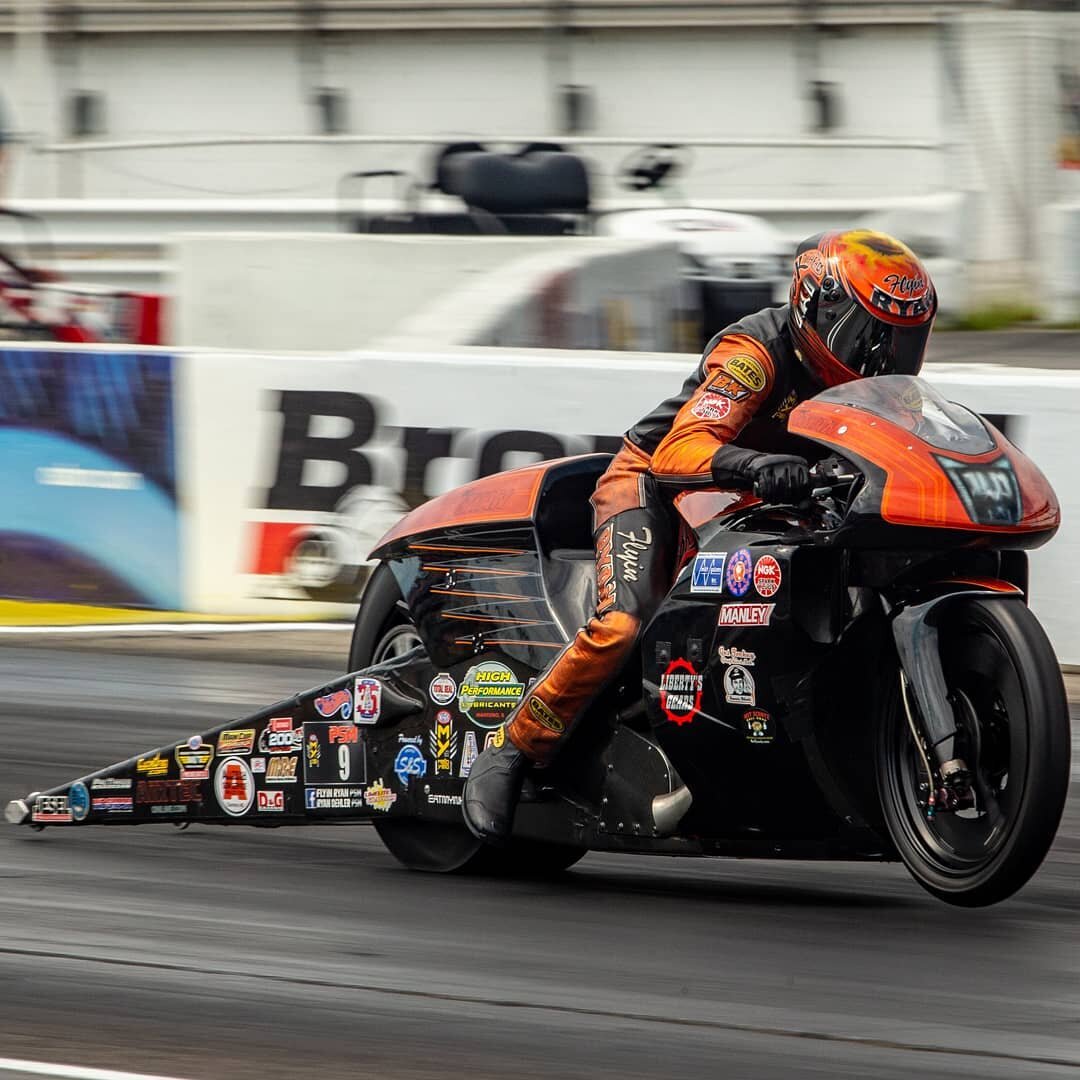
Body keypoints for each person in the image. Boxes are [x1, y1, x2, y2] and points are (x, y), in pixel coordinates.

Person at [462, 229, 938, 843]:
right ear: (813, 303)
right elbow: (681, 447)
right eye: (868, 335)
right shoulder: (754, 351)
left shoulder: (883, 391)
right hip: (656, 483)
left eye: (902, 341)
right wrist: (756, 464)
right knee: (624, 623)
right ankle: (515, 749)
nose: (883, 358)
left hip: (764, 501)